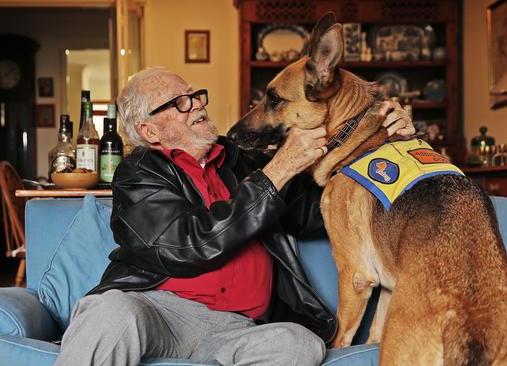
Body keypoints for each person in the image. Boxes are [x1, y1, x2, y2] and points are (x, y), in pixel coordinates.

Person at [55, 68, 414, 366]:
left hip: (239, 327)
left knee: (299, 344)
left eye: (195, 95)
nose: (196, 105)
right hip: (157, 314)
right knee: (110, 312)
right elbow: (186, 245)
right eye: (180, 102)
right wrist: (278, 171)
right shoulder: (139, 174)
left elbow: (323, 212)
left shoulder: (244, 160)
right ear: (150, 131)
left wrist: (384, 140)